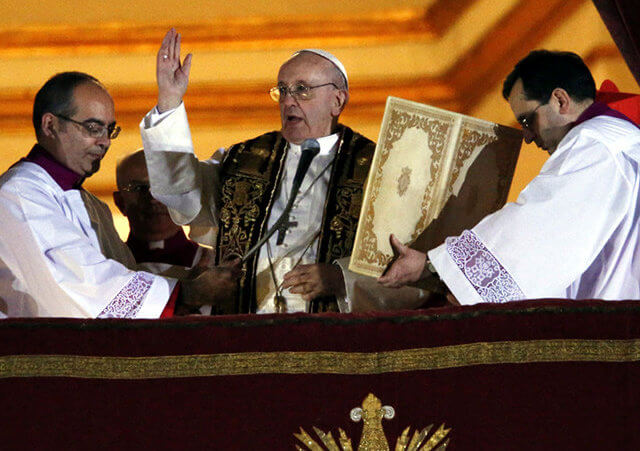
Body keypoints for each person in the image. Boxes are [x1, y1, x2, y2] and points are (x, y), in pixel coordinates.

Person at [140, 29, 374, 314]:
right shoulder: (243, 161)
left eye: (302, 89)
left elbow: (398, 266)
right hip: (247, 327)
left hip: (333, 334)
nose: (288, 100)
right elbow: (182, 195)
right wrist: (169, 102)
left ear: (337, 101)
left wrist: (342, 279)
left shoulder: (373, 167)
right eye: (283, 90)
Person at [379, 50, 640, 305]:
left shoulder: (594, 143)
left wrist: (430, 266)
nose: (527, 137)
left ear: (560, 100)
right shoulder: (618, 136)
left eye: (528, 120)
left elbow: (536, 228)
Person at [0, 71, 239, 318]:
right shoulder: (19, 195)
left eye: (109, 130)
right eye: (92, 128)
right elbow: (81, 285)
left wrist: (190, 278)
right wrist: (186, 292)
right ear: (50, 125)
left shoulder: (91, 204)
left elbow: (123, 271)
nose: (104, 141)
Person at [114, 149, 202, 270]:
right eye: (139, 188)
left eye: (164, 187)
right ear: (120, 202)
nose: (153, 199)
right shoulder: (106, 265)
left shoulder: (211, 263)